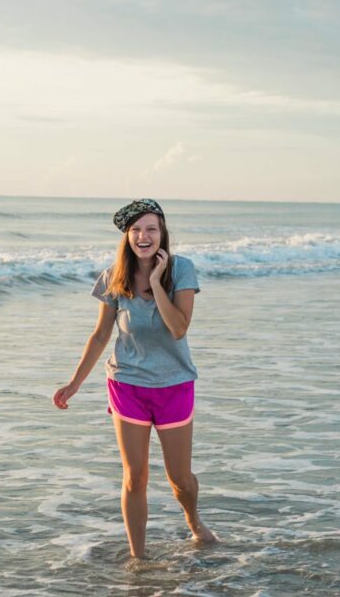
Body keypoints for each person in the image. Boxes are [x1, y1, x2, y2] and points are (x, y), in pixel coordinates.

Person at [52, 198, 218, 560]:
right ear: (127, 236)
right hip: (127, 385)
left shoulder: (182, 270)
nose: (144, 236)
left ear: (163, 234)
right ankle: (138, 559)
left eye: (151, 229)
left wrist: (158, 282)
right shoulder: (114, 277)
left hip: (174, 384)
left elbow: (178, 329)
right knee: (135, 476)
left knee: (180, 478)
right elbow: (99, 336)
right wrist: (74, 383)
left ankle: (193, 520)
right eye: (136, 230)